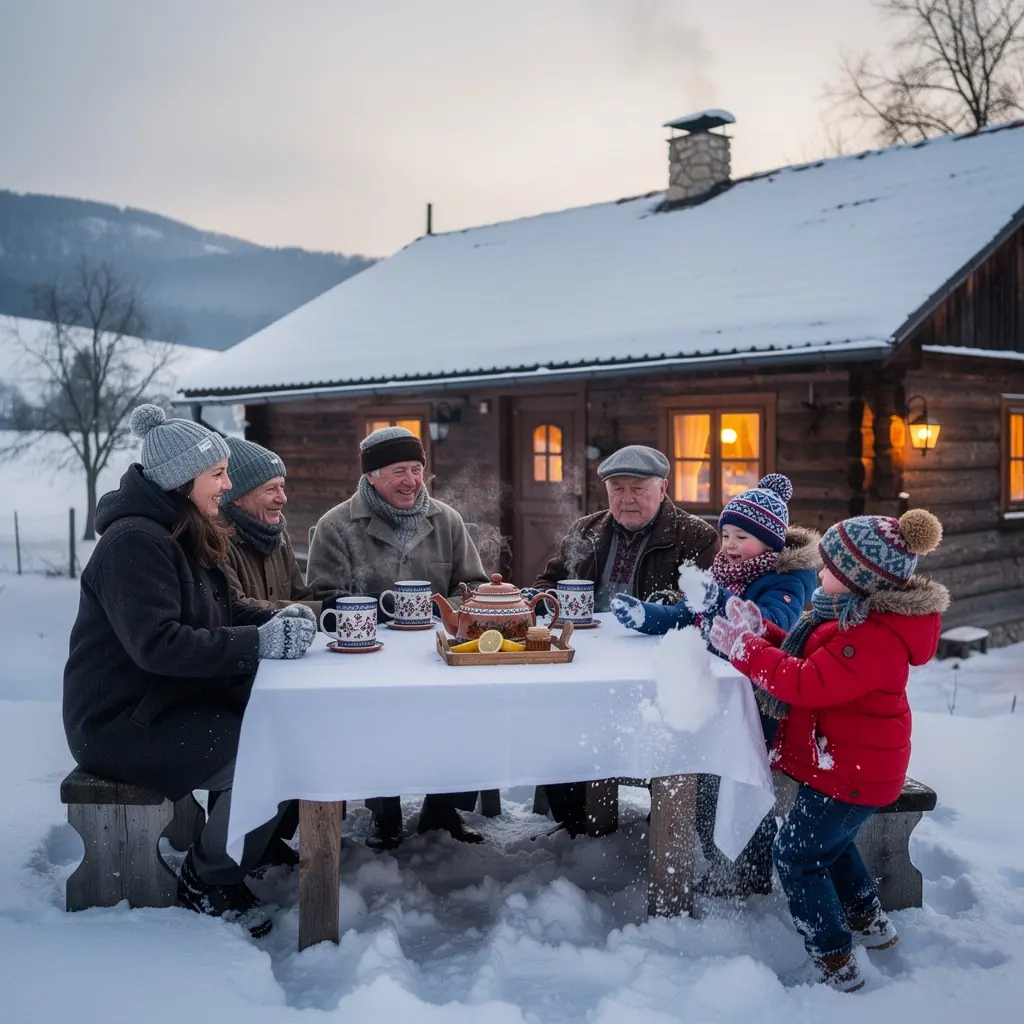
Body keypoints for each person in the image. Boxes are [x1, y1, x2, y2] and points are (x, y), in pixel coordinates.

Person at [63, 405, 318, 938]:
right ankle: (208, 876)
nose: (226, 487)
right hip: (119, 722)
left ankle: (241, 846)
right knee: (265, 754)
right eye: (218, 475)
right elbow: (158, 645)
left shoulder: (185, 529)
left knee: (281, 733)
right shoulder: (134, 542)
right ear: (182, 480)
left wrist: (280, 618)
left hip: (165, 702)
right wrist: (258, 643)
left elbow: (221, 610)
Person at [708, 509, 948, 992]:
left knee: (796, 856)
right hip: (849, 765)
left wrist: (744, 650)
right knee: (832, 848)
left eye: (830, 569)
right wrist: (763, 633)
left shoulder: (873, 636)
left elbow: (806, 681)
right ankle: (871, 924)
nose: (819, 573)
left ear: (861, 579)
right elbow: (810, 652)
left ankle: (836, 961)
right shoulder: (848, 617)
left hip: (855, 773)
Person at [611, 474, 820, 896]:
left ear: (771, 543)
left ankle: (749, 873)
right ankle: (721, 861)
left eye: (741, 536)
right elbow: (689, 615)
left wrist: (717, 600)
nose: (728, 544)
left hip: (759, 708)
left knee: (737, 785)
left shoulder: (787, 581)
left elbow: (766, 627)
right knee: (704, 784)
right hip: (717, 700)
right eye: (725, 534)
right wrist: (647, 616)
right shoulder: (727, 571)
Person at [306, 425, 489, 850]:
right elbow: (322, 598)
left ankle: (443, 809)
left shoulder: (446, 520)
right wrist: (381, 613)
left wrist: (452, 605)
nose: (411, 481)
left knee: (467, 703)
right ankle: (383, 812)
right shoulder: (336, 526)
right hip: (367, 657)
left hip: (437, 655)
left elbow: (473, 587)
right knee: (374, 710)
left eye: (416, 469)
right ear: (371, 476)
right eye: (398, 472)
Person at [530, 444, 720, 835]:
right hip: (584, 655)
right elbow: (547, 582)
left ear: (663, 487)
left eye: (638, 488)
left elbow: (705, 604)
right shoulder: (586, 530)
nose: (626, 499)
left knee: (663, 724)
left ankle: (665, 814)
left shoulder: (696, 537)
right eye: (617, 489)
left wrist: (662, 610)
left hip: (656, 663)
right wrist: (542, 603)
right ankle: (575, 820)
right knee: (555, 713)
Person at [220, 434, 330, 616]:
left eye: (282, 486)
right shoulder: (217, 541)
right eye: (271, 489)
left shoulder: (277, 534)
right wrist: (323, 610)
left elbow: (300, 597)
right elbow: (238, 609)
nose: (282, 498)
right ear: (237, 497)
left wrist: (336, 606)